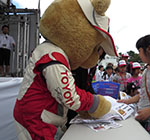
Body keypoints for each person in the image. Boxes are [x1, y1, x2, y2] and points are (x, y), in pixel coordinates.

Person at [13, 0, 117, 139]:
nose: (93, 56)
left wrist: (85, 109)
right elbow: (69, 96)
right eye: (94, 48)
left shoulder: (54, 53)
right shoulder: (53, 56)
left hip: (44, 117)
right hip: (36, 122)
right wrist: (94, 103)